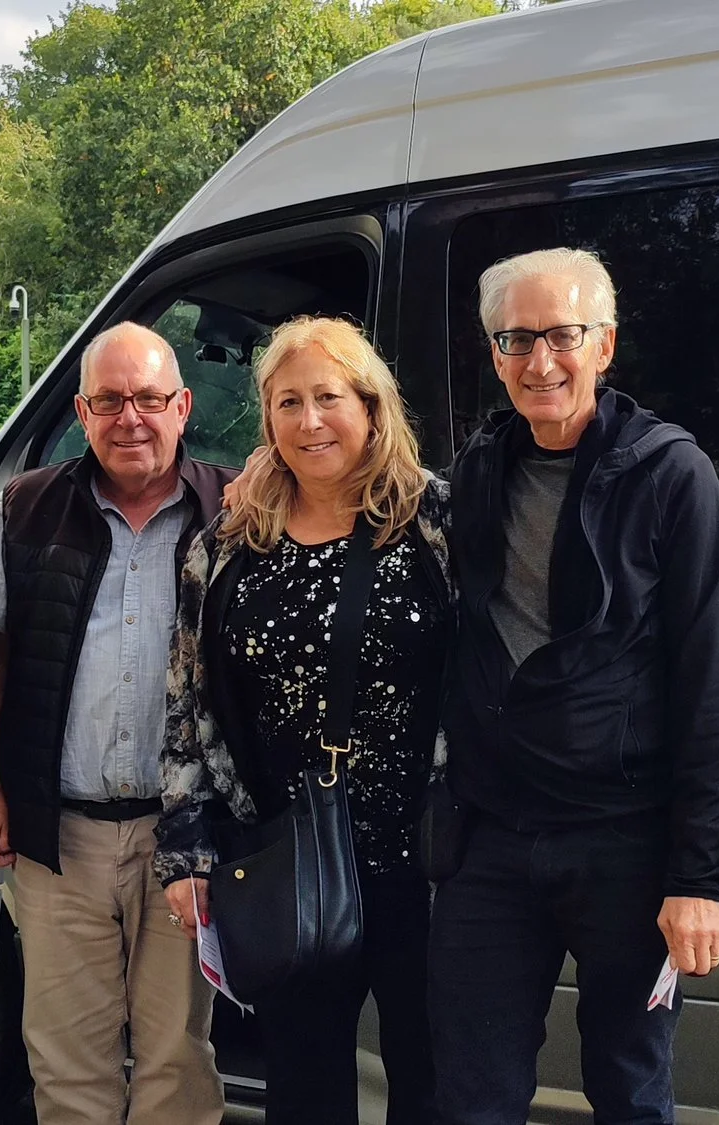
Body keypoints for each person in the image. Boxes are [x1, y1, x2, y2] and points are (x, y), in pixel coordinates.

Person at [429, 247, 719, 1123]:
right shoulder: (476, 473)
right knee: (469, 1094)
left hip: (625, 846)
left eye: (562, 335)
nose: (541, 362)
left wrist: (701, 878)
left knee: (629, 1090)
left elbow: (711, 685)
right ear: (494, 353)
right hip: (492, 842)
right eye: (516, 339)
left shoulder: (671, 474)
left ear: (604, 346)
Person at [154, 316, 451, 1123]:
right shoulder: (226, 543)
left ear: (371, 406)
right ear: (268, 419)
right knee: (304, 1088)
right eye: (289, 402)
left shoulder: (432, 522)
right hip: (286, 859)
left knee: (433, 1083)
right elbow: (185, 703)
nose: (310, 420)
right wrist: (185, 852)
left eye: (329, 397)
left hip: (420, 863)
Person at [0, 321, 233, 1125]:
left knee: (176, 1058)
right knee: (65, 1061)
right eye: (110, 400)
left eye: (150, 398)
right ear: (81, 411)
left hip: (184, 836)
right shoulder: (22, 507)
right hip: (60, 836)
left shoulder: (235, 508)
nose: (131, 418)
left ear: (182, 405)